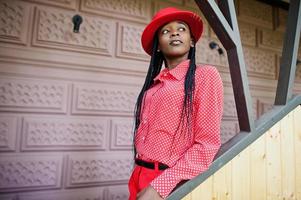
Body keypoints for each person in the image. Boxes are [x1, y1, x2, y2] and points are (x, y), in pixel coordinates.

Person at [128, 7, 223, 200]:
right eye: (165, 31)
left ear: (192, 41)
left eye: (181, 29)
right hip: (139, 176)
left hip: (171, 182)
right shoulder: (152, 88)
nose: (174, 33)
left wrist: (159, 187)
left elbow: (207, 144)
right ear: (158, 46)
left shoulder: (205, 76)